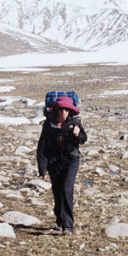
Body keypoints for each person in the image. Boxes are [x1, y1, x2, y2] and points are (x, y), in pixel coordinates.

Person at [36, 95, 87, 234]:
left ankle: (68, 226)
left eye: (66, 109)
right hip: (54, 162)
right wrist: (42, 170)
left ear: (70, 110)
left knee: (66, 189)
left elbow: (83, 139)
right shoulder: (48, 125)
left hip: (71, 160)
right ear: (56, 110)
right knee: (57, 192)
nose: (64, 111)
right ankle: (59, 220)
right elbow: (42, 148)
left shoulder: (75, 123)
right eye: (61, 109)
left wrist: (77, 134)